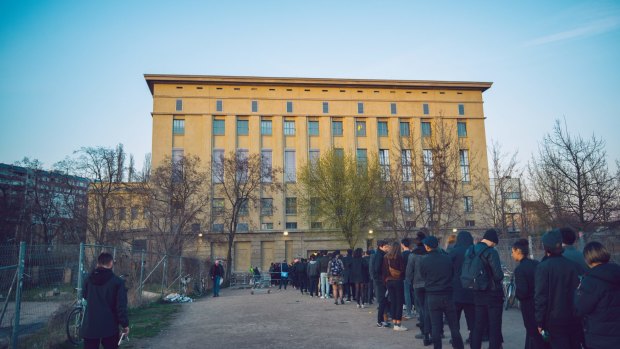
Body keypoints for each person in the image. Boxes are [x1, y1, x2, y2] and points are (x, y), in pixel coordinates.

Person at [535, 229, 582, 349]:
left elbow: (541, 296)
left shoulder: (543, 267)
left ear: (546, 248)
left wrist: (539, 321)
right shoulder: (571, 265)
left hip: (554, 319)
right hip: (573, 316)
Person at [420, 236, 464, 348]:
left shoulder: (424, 260)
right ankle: (459, 346)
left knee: (435, 326)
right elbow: (452, 274)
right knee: (454, 326)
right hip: (448, 294)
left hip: (432, 296)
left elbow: (423, 276)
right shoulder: (447, 258)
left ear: (427, 247)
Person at [574, 241, 620, 349]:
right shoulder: (617, 272)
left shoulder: (590, 282)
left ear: (587, 258)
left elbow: (579, 309)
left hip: (600, 338)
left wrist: (577, 291)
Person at [81, 252, 129, 349]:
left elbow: (85, 296)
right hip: (109, 326)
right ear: (111, 263)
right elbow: (121, 306)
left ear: (98, 263)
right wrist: (125, 325)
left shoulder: (88, 279)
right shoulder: (117, 282)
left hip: (90, 325)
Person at [470, 229, 504, 349]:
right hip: (492, 294)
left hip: (477, 293)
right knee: (494, 326)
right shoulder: (491, 252)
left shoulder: (471, 250)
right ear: (493, 241)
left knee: (478, 325)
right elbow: (498, 275)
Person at [511, 239, 545, 349]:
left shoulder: (520, 270)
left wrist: (516, 294)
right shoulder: (537, 264)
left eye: (513, 251)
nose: (512, 254)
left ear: (518, 251)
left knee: (532, 332)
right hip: (541, 303)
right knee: (541, 333)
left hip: (529, 306)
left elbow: (522, 292)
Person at [449, 230, 475, 345]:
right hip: (471, 289)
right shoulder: (474, 251)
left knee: (455, 317)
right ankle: (472, 336)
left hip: (456, 290)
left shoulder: (454, 252)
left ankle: (455, 338)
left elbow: (448, 269)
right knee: (471, 317)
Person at [409, 232, 431, 344]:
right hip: (430, 284)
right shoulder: (430, 253)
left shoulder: (413, 254)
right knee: (429, 309)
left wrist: (410, 282)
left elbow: (409, 272)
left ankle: (424, 333)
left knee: (421, 309)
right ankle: (432, 332)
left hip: (417, 285)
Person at [383, 241, 408, 331]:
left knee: (393, 302)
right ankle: (398, 323)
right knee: (399, 302)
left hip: (389, 281)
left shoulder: (385, 257)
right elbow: (403, 270)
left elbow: (384, 272)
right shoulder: (399, 257)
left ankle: (394, 322)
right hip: (398, 281)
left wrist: (385, 281)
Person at [372, 240, 390, 328]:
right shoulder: (380, 255)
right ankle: (380, 321)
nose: (387, 248)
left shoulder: (379, 254)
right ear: (381, 246)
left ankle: (382, 320)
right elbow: (377, 269)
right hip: (381, 281)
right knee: (382, 301)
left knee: (384, 301)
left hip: (380, 281)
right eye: (386, 246)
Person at [401, 238, 414, 319]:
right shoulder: (412, 254)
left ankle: (408, 312)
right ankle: (415, 310)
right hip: (413, 276)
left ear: (402, 244)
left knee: (407, 294)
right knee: (413, 293)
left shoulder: (402, 255)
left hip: (405, 276)